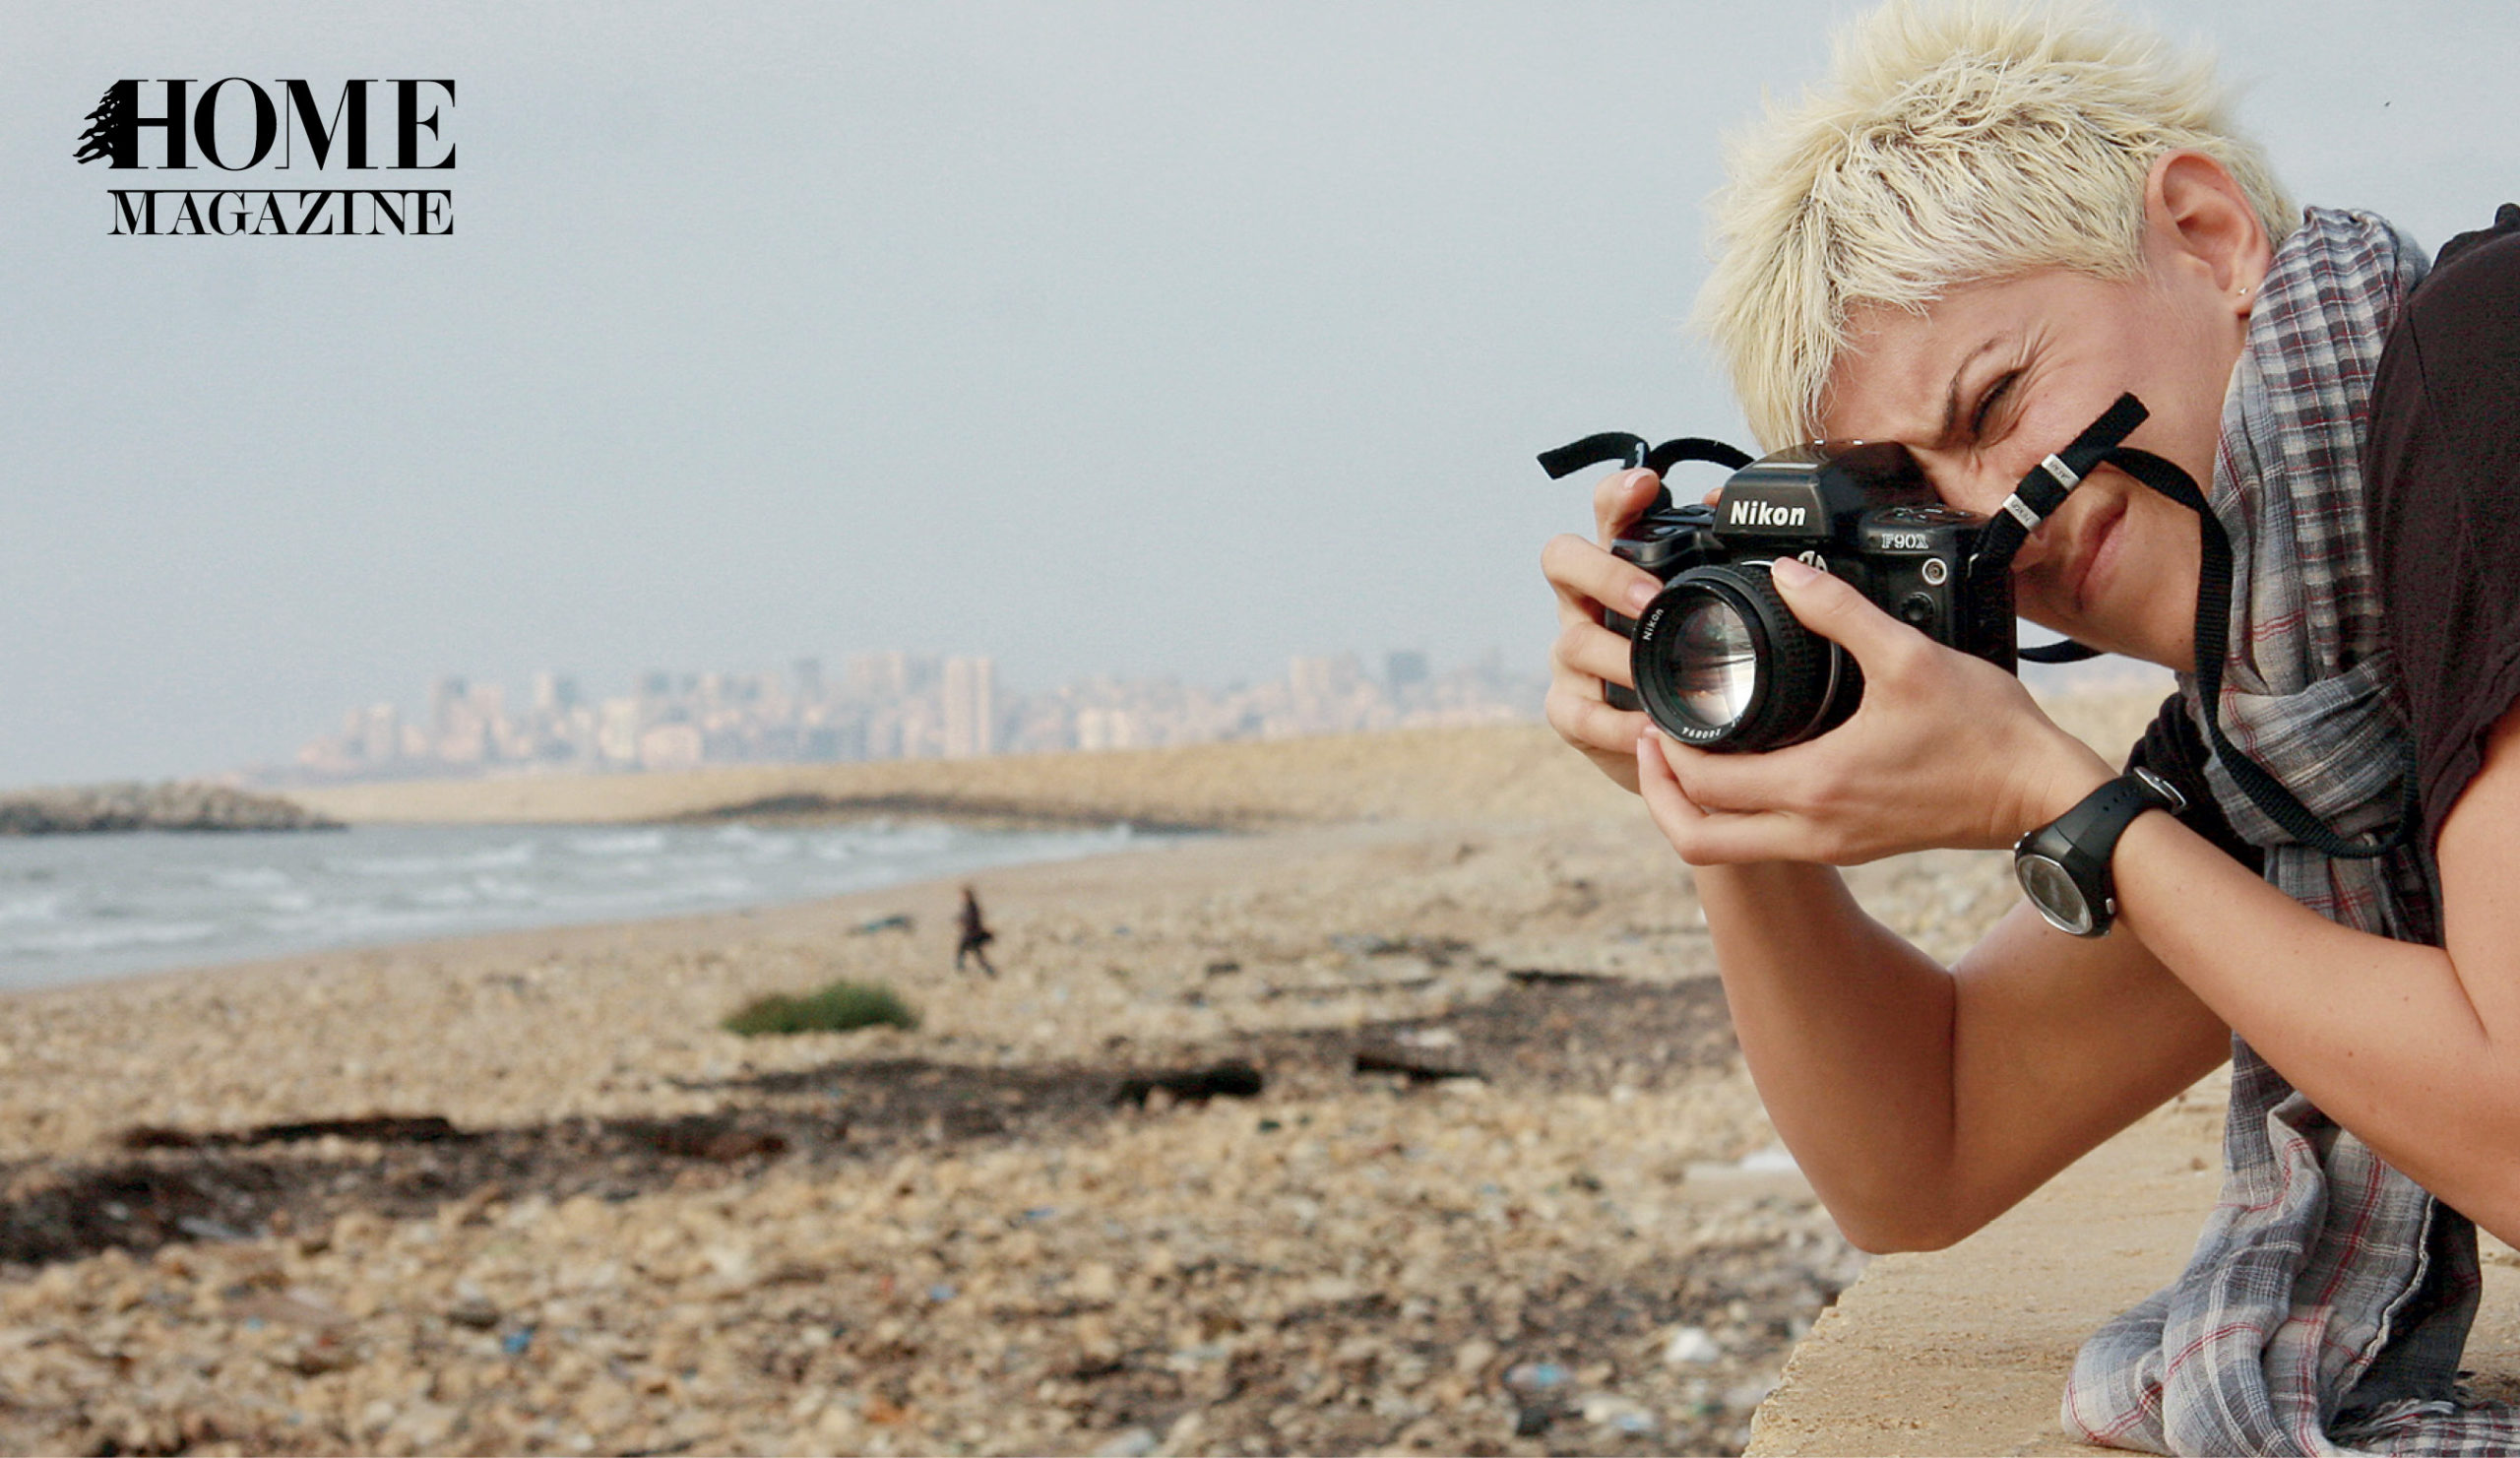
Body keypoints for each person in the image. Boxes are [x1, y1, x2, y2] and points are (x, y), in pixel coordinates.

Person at [1540, 3, 2520, 1451]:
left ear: (2207, 232)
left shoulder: (2481, 364)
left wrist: (2063, 802)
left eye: (1997, 400)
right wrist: (1718, 755)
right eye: (1924, 497)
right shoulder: (2290, 722)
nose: (2006, 513)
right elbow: (1921, 1149)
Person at [955, 884, 997, 977]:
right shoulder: (968, 907)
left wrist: (964, 923)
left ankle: (961, 969)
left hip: (971, 935)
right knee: (974, 954)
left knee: (968, 952)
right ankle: (989, 971)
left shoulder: (972, 907)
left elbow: (973, 920)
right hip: (970, 934)